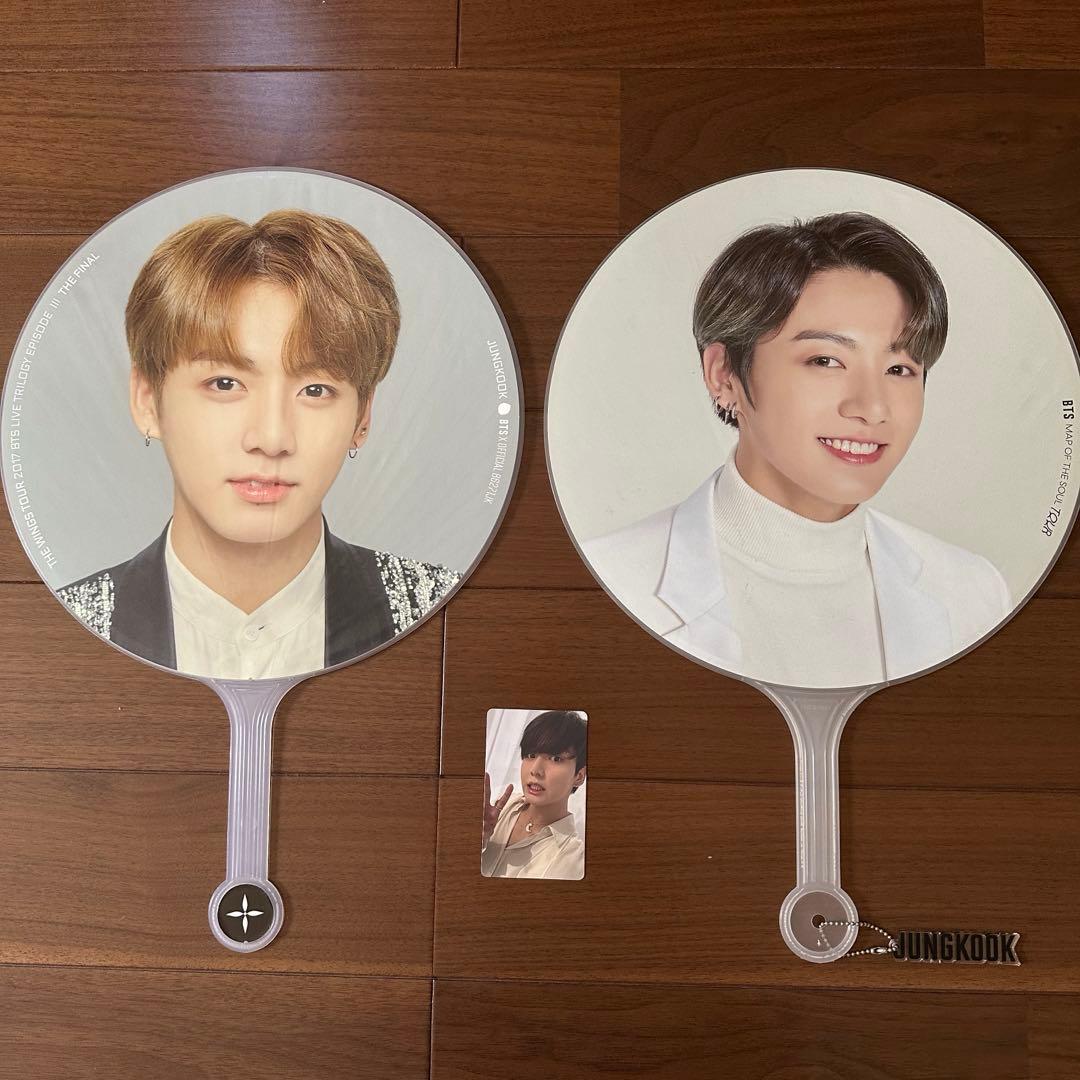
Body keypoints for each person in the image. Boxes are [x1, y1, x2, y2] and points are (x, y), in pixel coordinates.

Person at [583, 212, 1011, 688]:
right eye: (826, 360)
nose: (872, 408)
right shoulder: (607, 580)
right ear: (724, 374)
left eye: (899, 369)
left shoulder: (973, 592)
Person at [58, 210, 460, 679]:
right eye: (224, 383)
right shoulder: (64, 626)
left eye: (315, 390)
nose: (271, 439)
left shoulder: (443, 609)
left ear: (362, 416)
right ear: (148, 399)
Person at [482, 710, 587, 880]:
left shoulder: (572, 858)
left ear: (579, 776)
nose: (535, 770)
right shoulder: (500, 809)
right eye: (531, 755)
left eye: (556, 759)